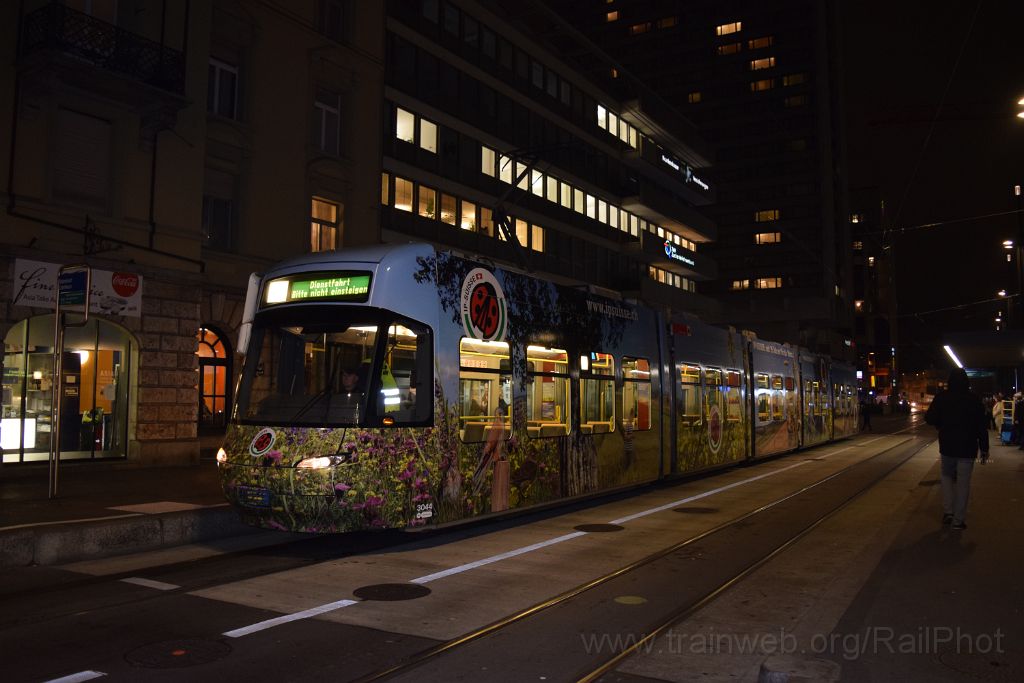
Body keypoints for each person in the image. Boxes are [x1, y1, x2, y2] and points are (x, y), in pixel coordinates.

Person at [924, 368, 988, 530]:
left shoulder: (942, 398)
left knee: (946, 477)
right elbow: (982, 426)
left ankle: (948, 512)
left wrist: (941, 424)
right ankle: (958, 521)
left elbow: (929, 418)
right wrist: (984, 449)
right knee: (963, 483)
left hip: (948, 446)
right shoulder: (974, 399)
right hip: (968, 447)